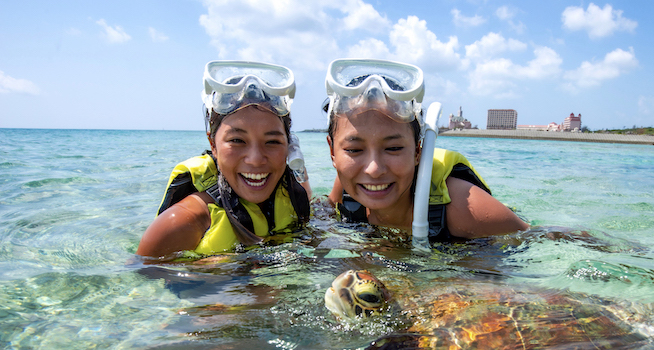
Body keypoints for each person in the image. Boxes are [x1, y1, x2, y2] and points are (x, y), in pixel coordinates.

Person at [324, 58, 529, 241]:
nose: (373, 169)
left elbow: (536, 239)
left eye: (394, 148)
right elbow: (324, 212)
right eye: (354, 150)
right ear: (333, 152)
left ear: (418, 151)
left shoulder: (465, 208)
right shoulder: (346, 187)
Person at [137, 60, 311, 259]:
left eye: (272, 142)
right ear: (213, 144)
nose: (255, 159)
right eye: (237, 140)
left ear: (289, 145)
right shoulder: (182, 222)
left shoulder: (295, 198)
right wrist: (225, 275)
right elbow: (142, 281)